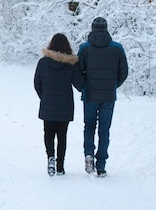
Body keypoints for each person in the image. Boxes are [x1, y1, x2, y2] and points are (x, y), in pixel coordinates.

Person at [78, 17, 128, 177]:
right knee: (104, 130)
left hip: (90, 95)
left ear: (92, 29)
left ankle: (88, 154)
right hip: (108, 96)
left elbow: (78, 71)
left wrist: (84, 87)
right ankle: (101, 166)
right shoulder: (117, 48)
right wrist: (113, 85)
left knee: (89, 126)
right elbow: (123, 72)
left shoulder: (85, 48)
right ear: (106, 29)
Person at [34, 33, 84, 176]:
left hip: (48, 104)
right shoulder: (71, 65)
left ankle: (50, 157)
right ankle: (60, 166)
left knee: (48, 133)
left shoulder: (43, 62)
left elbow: (37, 83)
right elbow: (80, 85)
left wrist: (44, 97)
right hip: (65, 105)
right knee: (62, 136)